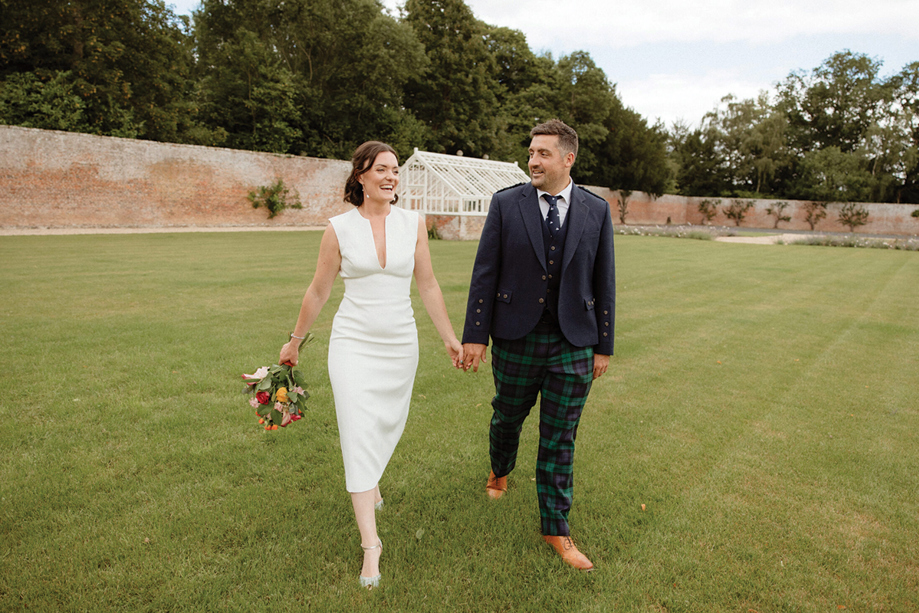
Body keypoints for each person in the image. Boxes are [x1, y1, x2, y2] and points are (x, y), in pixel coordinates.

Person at [279, 141, 464, 589]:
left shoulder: (413, 224)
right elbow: (319, 290)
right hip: (352, 344)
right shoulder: (338, 229)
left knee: (386, 424)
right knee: (356, 432)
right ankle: (371, 545)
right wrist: (295, 341)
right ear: (360, 175)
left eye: (395, 170)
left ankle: (372, 482)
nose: (391, 177)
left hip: (400, 345)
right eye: (381, 169)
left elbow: (428, 285)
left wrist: (449, 338)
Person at [461, 119, 615, 571]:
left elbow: (604, 278)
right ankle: (500, 469)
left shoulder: (596, 209)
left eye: (543, 153)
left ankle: (556, 528)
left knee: (560, 438)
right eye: (531, 152)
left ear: (568, 158)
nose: (533, 160)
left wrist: (603, 344)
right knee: (507, 418)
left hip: (574, 341)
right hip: (516, 336)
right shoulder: (506, 203)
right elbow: (485, 272)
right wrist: (475, 335)